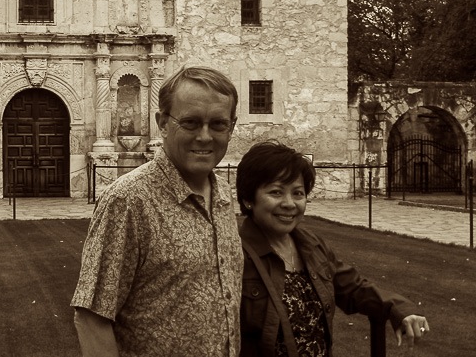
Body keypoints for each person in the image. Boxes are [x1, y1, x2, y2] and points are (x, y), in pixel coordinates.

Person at [71, 66, 243, 356]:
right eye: (190, 123)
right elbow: (91, 317)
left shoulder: (223, 193)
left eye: (217, 124)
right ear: (162, 123)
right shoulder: (129, 200)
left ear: (232, 126)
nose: (205, 136)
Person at [236, 141, 430, 356]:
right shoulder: (235, 253)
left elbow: (354, 288)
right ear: (248, 199)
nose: (290, 203)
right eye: (276, 192)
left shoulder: (310, 244)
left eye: (298, 193)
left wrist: (399, 308)